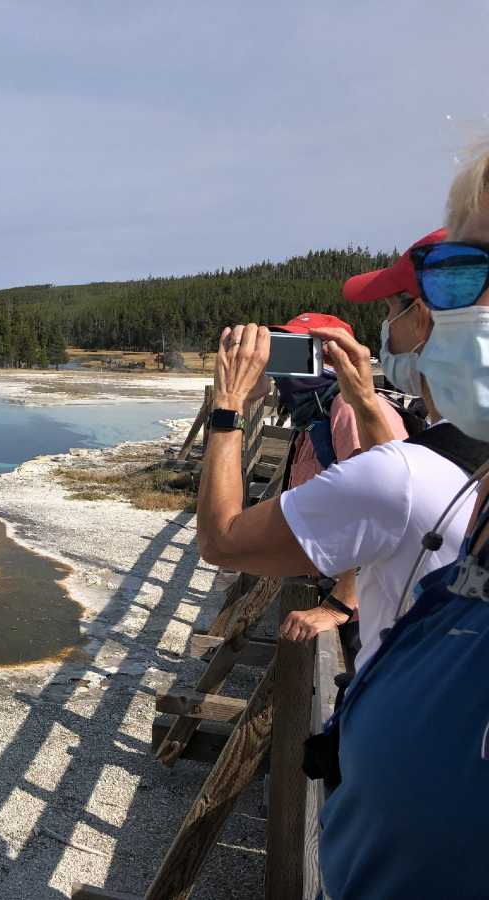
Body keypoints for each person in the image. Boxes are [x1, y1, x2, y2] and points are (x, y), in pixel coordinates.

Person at [318, 141, 489, 899]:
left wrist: (227, 415)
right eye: (461, 270)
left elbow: (226, 539)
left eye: (401, 304)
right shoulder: (476, 509)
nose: (390, 325)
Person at [196, 233, 484, 672]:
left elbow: (221, 541)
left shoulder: (398, 469)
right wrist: (365, 399)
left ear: (422, 320)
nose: (385, 327)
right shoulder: (455, 448)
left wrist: (228, 405)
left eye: (390, 309)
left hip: (397, 682)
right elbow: (398, 491)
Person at [266, 312, 409, 648]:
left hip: (362, 607)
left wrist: (340, 603)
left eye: (300, 349)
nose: (282, 366)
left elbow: (380, 508)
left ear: (332, 356)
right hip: (330, 582)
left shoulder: (348, 407)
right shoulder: (315, 415)